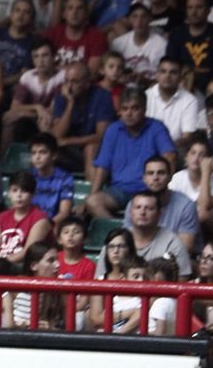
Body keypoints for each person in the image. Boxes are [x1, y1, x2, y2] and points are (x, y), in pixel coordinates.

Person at [84, 87, 177, 218]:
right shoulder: (113, 130)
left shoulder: (157, 128)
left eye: (135, 108)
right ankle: (119, 230)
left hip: (150, 190)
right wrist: (92, 195)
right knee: (92, 202)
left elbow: (170, 157)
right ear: (120, 111)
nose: (129, 113)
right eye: (125, 109)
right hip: (120, 190)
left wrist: (161, 188)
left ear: (144, 109)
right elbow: (103, 167)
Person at [122, 156, 200, 253]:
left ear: (170, 177)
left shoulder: (186, 206)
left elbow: (185, 249)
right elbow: (126, 239)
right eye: (150, 173)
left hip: (172, 259)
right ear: (144, 178)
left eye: (161, 173)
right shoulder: (134, 203)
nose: (155, 178)